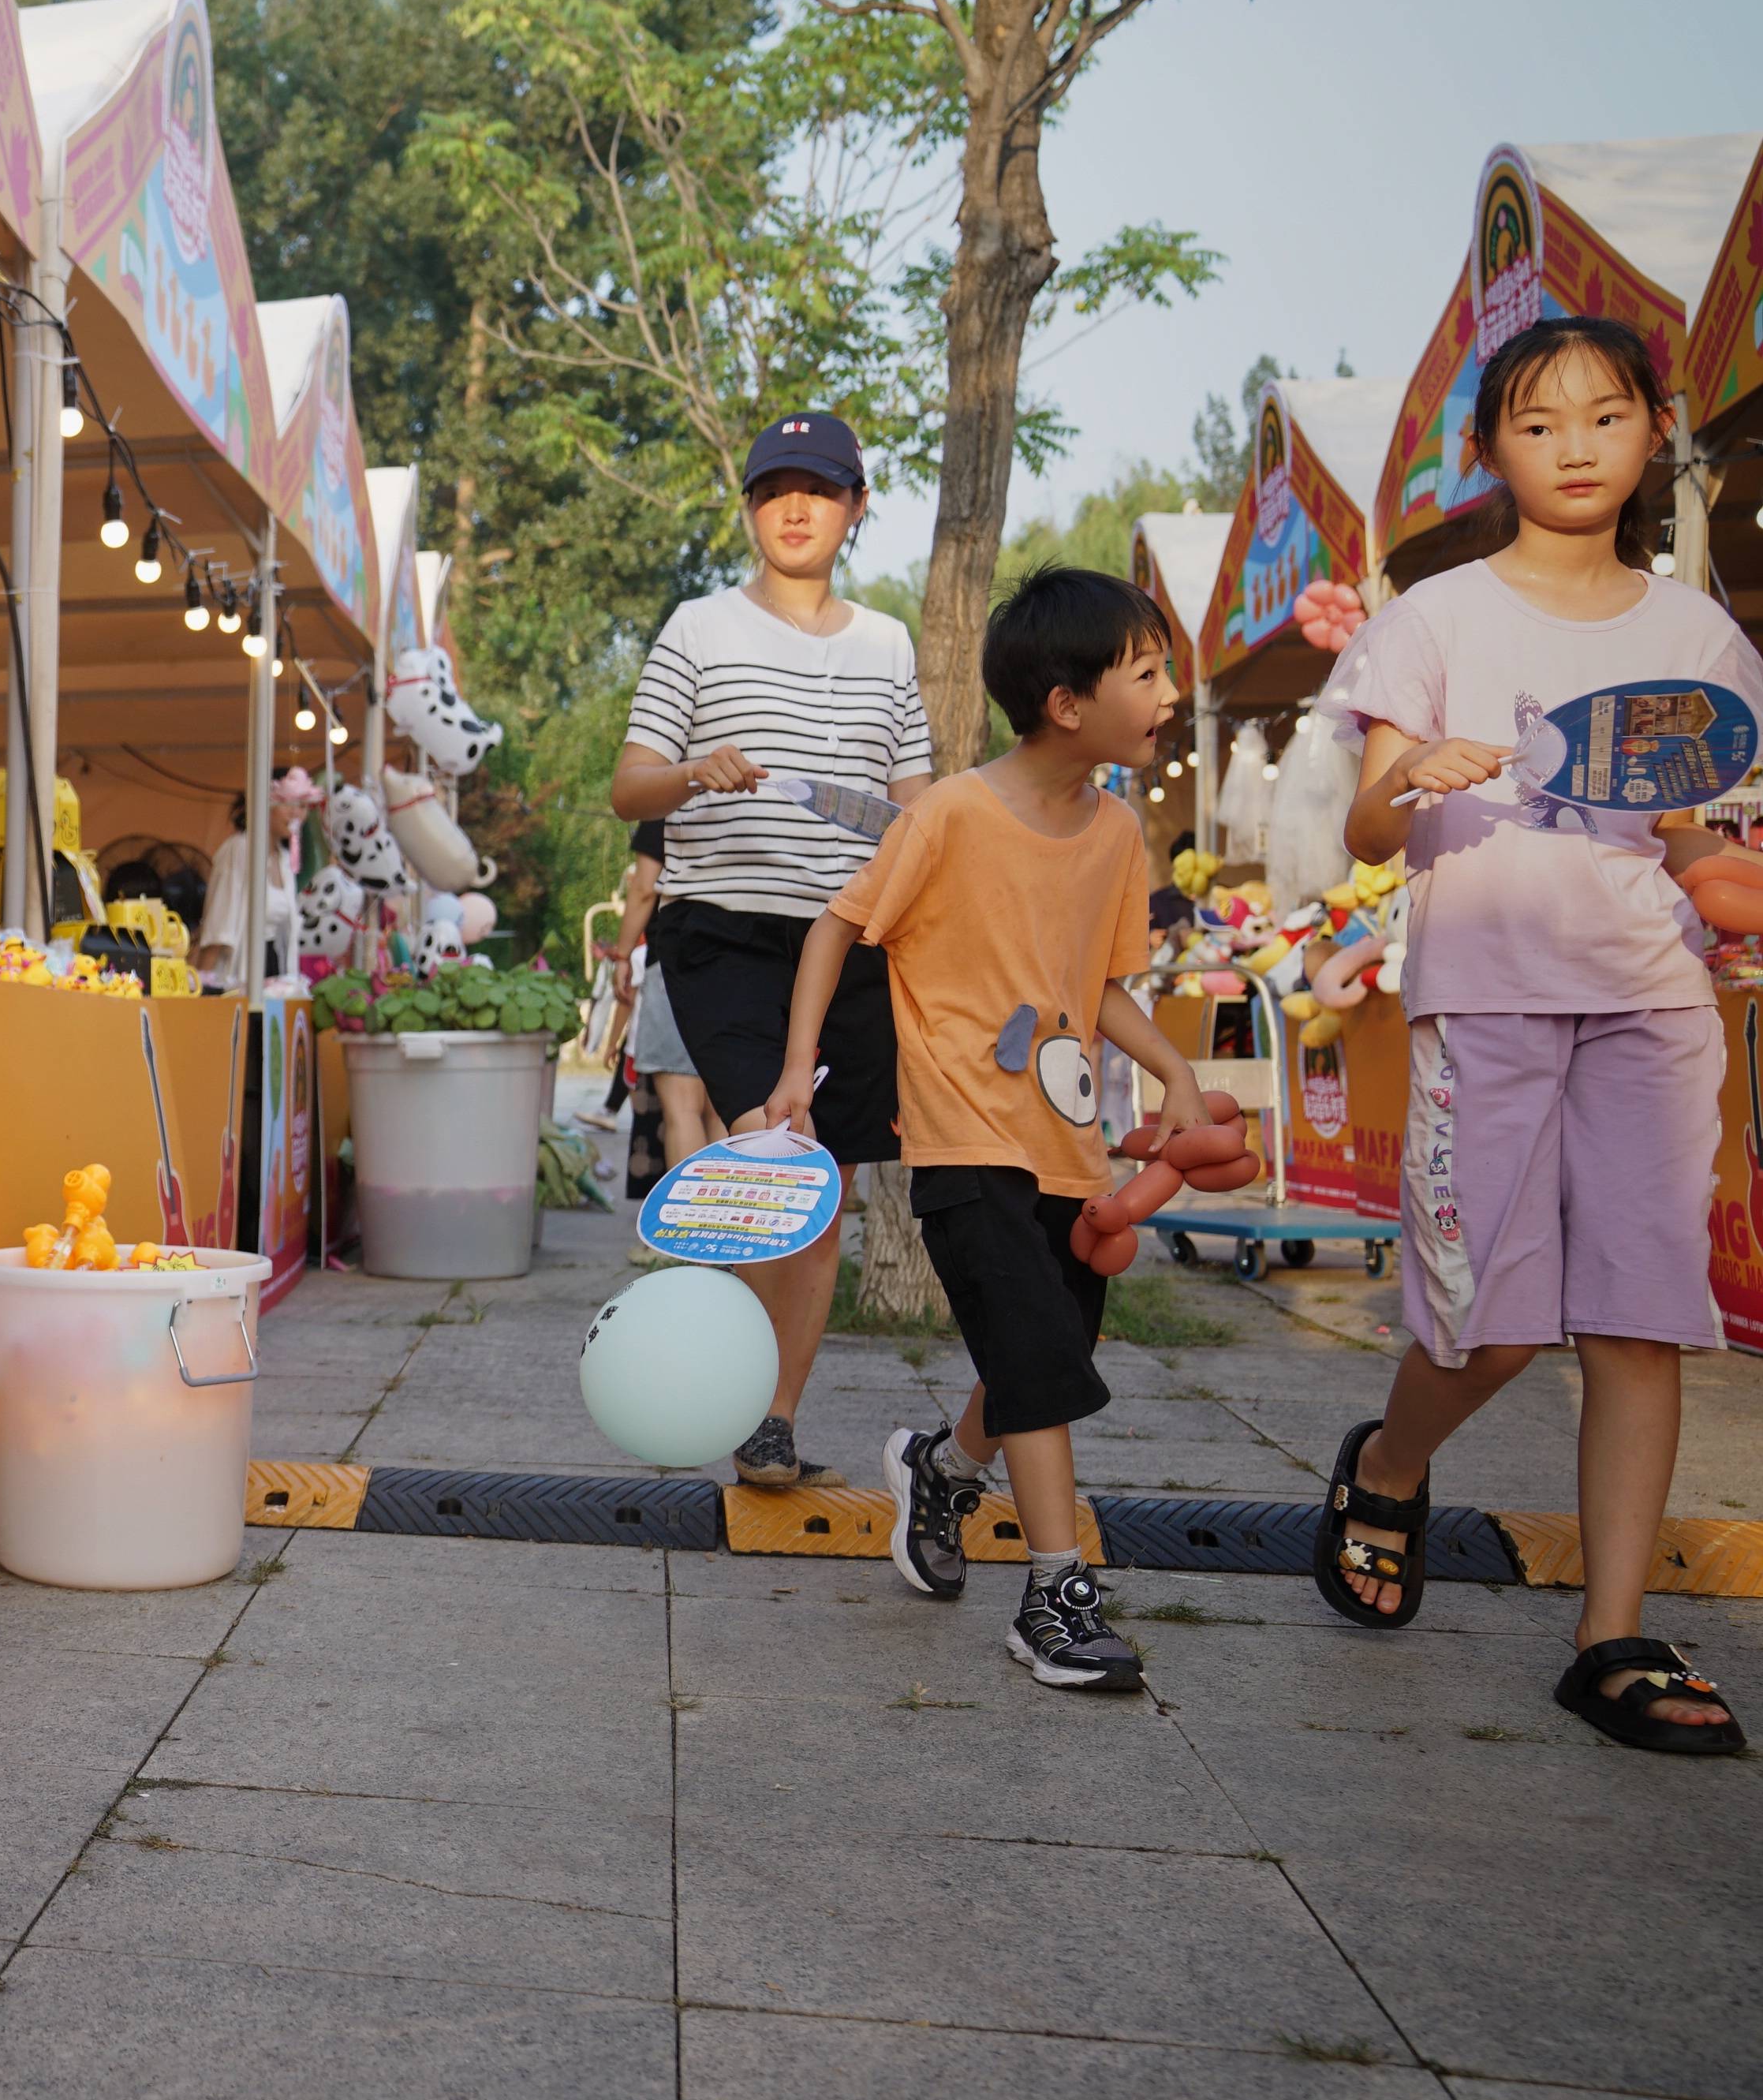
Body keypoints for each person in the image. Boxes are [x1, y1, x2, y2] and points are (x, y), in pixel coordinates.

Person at [1312, 314, 1760, 1754]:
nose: (1574, 445)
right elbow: (1366, 825)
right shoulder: (1434, 617)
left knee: (1639, 1312)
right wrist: (1415, 777)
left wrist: (1719, 887)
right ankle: (1385, 1467)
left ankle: (1609, 1633)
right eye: (1538, 420)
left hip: (1651, 1001)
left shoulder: (1694, 633)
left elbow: (1697, 826)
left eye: (1605, 415)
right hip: (1483, 997)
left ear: (1649, 429)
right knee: (1489, 1320)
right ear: (1487, 448)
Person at [751, 569, 1207, 1691]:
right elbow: (838, 927)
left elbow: (1094, 985)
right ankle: (1056, 1593)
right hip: (960, 1136)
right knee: (1039, 1356)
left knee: (1049, 1349)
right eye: (1145, 672)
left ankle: (946, 1474)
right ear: (1066, 702)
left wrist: (1172, 1071)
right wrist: (796, 1073)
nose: (1168, 693)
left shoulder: (1115, 834)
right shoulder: (950, 814)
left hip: (1068, 1142)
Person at [611, 412, 935, 1484]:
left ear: (855, 506)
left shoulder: (888, 643)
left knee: (820, 1192)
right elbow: (629, 786)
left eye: (820, 489)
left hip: (844, 946)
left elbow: (916, 803)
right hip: (722, 937)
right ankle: (718, 1376)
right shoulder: (697, 628)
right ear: (749, 508)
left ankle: (772, 1415)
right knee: (775, 1164)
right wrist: (693, 771)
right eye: (773, 490)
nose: (795, 508)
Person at [613, 820, 719, 1156]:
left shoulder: (667, 803)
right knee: (726, 1109)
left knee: (683, 1109)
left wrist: (623, 955)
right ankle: (724, 1207)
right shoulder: (755, 794)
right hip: (745, 964)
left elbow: (645, 888)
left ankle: (689, 1210)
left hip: (677, 963)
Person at [196, 772, 304, 985]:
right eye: (287, 804)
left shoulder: (284, 859)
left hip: (275, 969)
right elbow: (219, 925)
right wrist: (203, 985)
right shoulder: (239, 849)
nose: (295, 813)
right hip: (239, 972)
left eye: (302, 805)